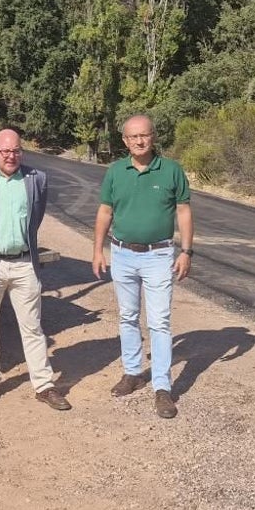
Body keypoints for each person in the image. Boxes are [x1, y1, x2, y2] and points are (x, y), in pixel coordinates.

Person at [0, 129, 70, 410]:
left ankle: (43, 385)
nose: (10, 156)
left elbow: (36, 216)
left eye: (16, 150)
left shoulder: (36, 179)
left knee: (32, 327)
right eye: (5, 151)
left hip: (23, 264)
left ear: (22, 151)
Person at [93, 114, 194, 419]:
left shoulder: (171, 171)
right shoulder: (115, 172)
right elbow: (105, 211)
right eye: (133, 137)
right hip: (122, 254)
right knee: (127, 316)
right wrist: (97, 249)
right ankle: (132, 372)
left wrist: (186, 251)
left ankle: (162, 387)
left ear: (153, 137)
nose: (139, 141)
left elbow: (184, 211)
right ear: (124, 141)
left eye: (144, 135)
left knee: (160, 321)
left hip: (159, 255)